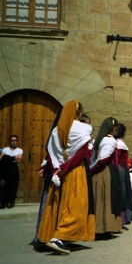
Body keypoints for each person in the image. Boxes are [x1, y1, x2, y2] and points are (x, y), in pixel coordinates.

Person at [36, 101, 95, 254]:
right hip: (76, 171)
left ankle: (64, 238)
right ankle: (60, 237)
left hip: (58, 174)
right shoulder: (83, 128)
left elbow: (51, 154)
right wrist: (65, 168)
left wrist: (53, 168)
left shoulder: (57, 130)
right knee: (77, 205)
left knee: (60, 204)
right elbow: (82, 153)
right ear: (78, 112)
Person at [90, 117, 123, 236]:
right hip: (106, 171)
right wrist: (93, 169)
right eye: (116, 127)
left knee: (99, 198)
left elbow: (94, 158)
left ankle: (98, 227)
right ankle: (105, 227)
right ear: (112, 128)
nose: (117, 130)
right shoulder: (110, 141)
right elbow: (103, 159)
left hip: (99, 172)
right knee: (107, 199)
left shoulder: (98, 140)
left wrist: (91, 170)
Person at [0, 135, 23, 209]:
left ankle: (11, 202)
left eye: (15, 140)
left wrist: (6, 158)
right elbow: (1, 158)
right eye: (12, 140)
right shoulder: (5, 149)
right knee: (3, 186)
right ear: (9, 141)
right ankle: (3, 202)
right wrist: (13, 158)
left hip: (14, 169)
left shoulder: (19, 150)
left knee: (13, 186)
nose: (14, 142)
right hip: (5, 170)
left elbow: (18, 159)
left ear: (17, 142)